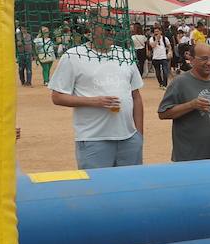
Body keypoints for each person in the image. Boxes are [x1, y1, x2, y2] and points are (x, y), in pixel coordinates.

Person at [48, 20, 145, 169]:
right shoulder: (73, 56)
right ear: (92, 28)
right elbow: (57, 97)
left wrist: (139, 135)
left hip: (129, 140)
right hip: (93, 139)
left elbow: (136, 96)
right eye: (107, 27)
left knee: (132, 183)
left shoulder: (124, 55)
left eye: (115, 28)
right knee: (97, 183)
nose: (112, 31)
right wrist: (95, 101)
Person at [157, 42, 210, 162]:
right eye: (204, 59)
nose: (209, 63)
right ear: (191, 59)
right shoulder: (180, 83)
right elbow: (163, 113)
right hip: (189, 157)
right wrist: (191, 105)